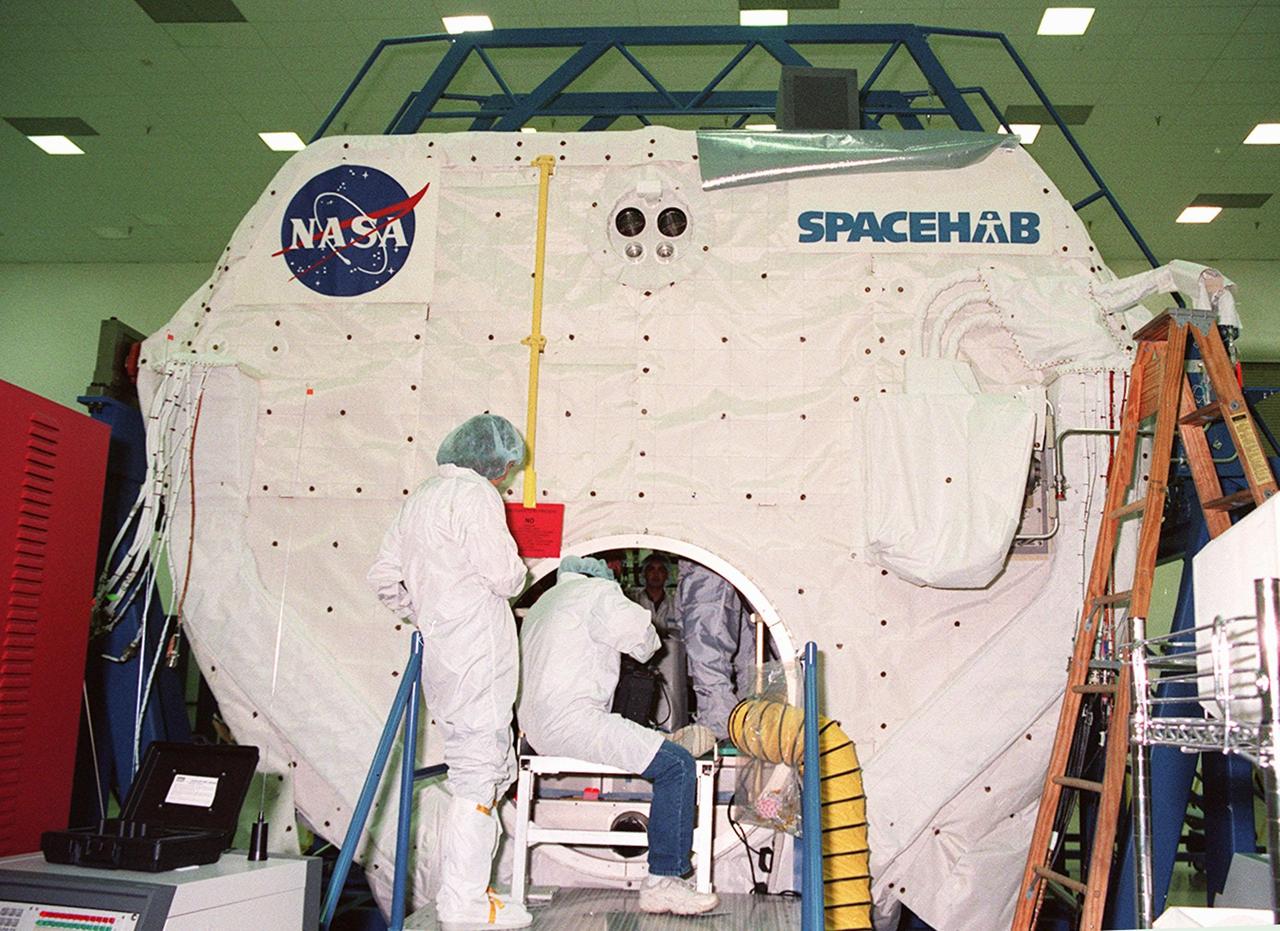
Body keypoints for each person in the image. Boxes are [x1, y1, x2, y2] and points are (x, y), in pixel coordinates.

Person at [368, 413, 532, 931]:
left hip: (442, 654)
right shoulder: (476, 496)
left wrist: (425, 613)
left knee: (478, 767)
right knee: (479, 774)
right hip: (478, 652)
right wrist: (518, 574)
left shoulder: (419, 499)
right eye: (506, 468)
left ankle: (467, 893)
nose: (505, 477)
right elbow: (505, 576)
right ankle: (464, 902)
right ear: (495, 465)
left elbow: (383, 577)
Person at [519, 556, 719, 915]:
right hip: (575, 723)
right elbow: (645, 644)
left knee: (643, 744)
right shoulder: (597, 592)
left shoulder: (543, 603)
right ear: (604, 576)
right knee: (678, 765)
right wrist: (618, 602)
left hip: (534, 729)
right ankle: (663, 881)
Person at [676, 559, 757, 741]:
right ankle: (742, 722)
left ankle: (720, 726)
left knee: (706, 651)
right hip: (725, 567)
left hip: (707, 566)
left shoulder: (706, 579)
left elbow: (706, 653)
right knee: (747, 661)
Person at [629, 554, 688, 730]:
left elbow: (683, 633)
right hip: (639, 664)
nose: (656, 574)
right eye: (651, 569)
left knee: (671, 707)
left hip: (671, 665)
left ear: (667, 575)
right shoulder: (632, 601)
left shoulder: (675, 604)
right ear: (643, 574)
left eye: (661, 570)